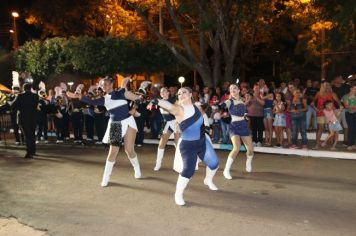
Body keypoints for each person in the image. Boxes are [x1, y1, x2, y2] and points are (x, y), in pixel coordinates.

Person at [148, 87, 219, 206]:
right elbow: (169, 106)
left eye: (184, 92)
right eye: (179, 93)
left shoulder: (197, 107)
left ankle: (208, 180)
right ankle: (178, 193)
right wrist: (157, 101)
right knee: (188, 170)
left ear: (191, 94)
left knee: (214, 164)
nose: (181, 94)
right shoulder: (179, 109)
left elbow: (205, 113)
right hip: (188, 145)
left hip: (202, 142)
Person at [67, 77, 142, 186]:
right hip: (115, 125)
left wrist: (134, 108)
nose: (104, 86)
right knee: (112, 152)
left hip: (129, 121)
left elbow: (138, 98)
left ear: (112, 84)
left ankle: (137, 168)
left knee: (129, 149)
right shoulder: (104, 99)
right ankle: (106, 178)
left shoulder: (121, 92)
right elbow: (90, 101)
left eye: (106, 84)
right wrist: (78, 96)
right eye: (102, 85)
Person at [222, 84, 254, 180]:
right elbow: (223, 105)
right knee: (236, 147)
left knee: (251, 150)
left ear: (239, 90)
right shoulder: (229, 101)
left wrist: (245, 116)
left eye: (234, 88)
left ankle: (248, 161)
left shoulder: (242, 100)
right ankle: (226, 170)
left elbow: (244, 111)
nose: (232, 90)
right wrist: (219, 105)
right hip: (234, 126)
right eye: (231, 89)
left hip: (243, 125)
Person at [152, 87, 180, 171]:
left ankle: (181, 163)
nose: (162, 93)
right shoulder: (159, 101)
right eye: (161, 92)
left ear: (168, 93)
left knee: (177, 145)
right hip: (167, 123)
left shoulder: (174, 100)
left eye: (164, 91)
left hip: (176, 122)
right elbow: (151, 101)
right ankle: (158, 164)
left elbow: (179, 110)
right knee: (161, 143)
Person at [11, 83, 39, 158]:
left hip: (24, 118)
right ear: (30, 88)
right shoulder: (35, 96)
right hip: (33, 118)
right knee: (32, 135)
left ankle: (29, 152)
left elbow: (13, 105)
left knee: (27, 135)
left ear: (23, 88)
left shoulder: (20, 96)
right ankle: (33, 151)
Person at [313, 81, 340, 149]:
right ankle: (317, 144)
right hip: (321, 113)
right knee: (320, 128)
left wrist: (337, 109)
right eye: (324, 85)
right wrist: (316, 109)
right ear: (322, 86)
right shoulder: (318, 93)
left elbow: (339, 103)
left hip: (330, 114)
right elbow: (312, 103)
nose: (326, 87)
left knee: (331, 129)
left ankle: (332, 145)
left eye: (327, 85)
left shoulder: (332, 94)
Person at [342, 83, 356, 150]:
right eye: (354, 88)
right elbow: (346, 106)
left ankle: (353, 144)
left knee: (354, 129)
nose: (355, 90)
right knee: (351, 128)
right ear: (350, 88)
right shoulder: (346, 96)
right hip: (349, 113)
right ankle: (349, 144)